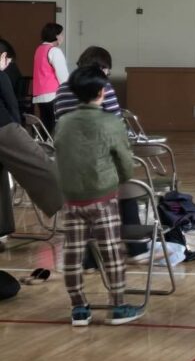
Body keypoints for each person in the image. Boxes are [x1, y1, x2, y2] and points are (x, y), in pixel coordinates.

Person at [53, 66, 143, 327]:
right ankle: (117, 306)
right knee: (112, 252)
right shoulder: (111, 122)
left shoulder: (63, 122)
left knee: (73, 253)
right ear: (103, 92)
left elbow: (60, 154)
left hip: (71, 198)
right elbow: (125, 162)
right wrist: (122, 178)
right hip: (103, 196)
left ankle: (79, 308)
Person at [53, 46, 148, 264]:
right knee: (127, 191)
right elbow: (117, 124)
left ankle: (88, 257)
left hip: (69, 166)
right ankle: (137, 248)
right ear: (102, 69)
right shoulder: (102, 88)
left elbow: (59, 124)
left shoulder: (61, 90)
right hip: (100, 163)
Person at [0, 39, 63, 223]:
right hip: (4, 128)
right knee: (40, 163)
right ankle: (73, 207)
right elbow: (12, 105)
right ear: (3, 56)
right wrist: (19, 128)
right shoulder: (1, 76)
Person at [53, 46, 120, 120]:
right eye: (107, 70)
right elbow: (116, 119)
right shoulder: (103, 86)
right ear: (101, 68)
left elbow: (58, 118)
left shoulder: (62, 88)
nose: (107, 73)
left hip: (65, 130)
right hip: (96, 130)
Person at [32, 22, 69, 134]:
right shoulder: (54, 51)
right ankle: (52, 150)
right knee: (54, 126)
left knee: (45, 125)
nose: (62, 37)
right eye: (61, 34)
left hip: (39, 94)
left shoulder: (39, 49)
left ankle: (43, 149)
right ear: (57, 36)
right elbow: (63, 76)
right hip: (52, 94)